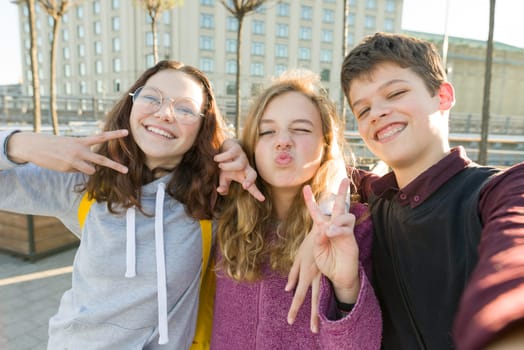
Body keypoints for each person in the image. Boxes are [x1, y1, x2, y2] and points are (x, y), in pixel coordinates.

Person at [0, 60, 250, 349]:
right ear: (131, 104)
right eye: (152, 97)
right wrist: (20, 144)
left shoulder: (214, 195)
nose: (165, 113)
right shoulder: (85, 180)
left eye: (184, 108)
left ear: (202, 126)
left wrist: (238, 147)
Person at [336, 32, 524, 349]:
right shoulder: (374, 197)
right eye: (363, 110)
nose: (377, 113)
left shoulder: (500, 190)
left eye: (394, 93)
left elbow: (513, 258)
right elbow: (312, 164)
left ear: (443, 96)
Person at [211, 71, 381, 349]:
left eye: (301, 129)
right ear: (251, 147)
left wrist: (347, 287)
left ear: (326, 143)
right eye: (267, 131)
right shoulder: (225, 213)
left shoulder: (351, 227)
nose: (283, 141)